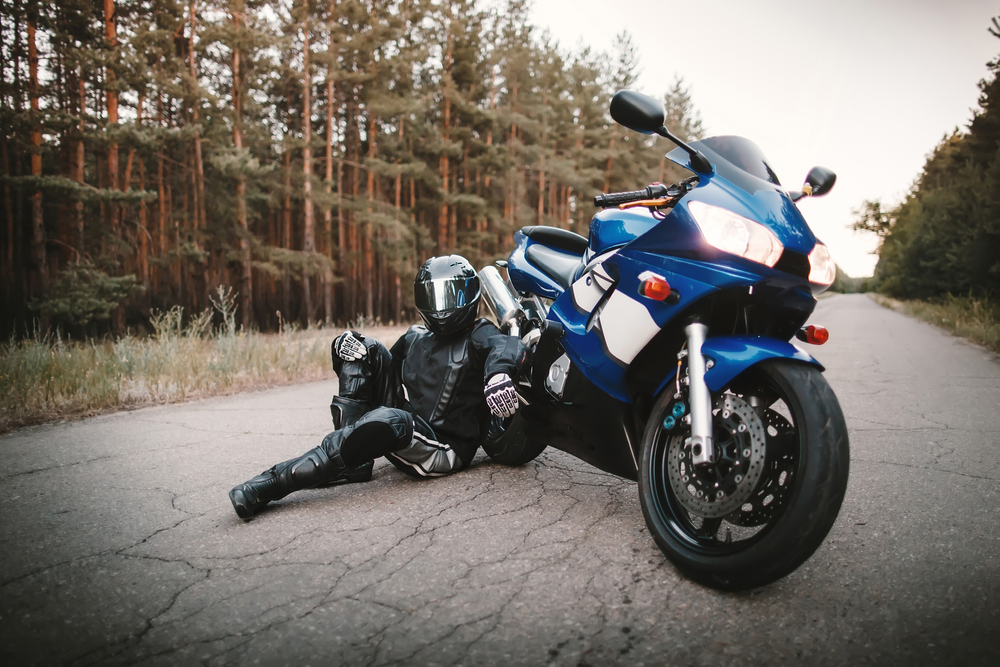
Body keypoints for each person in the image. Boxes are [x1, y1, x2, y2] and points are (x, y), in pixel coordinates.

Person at [229, 255, 530, 519]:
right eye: (433, 296)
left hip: (444, 447)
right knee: (360, 347)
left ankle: (275, 483)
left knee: (391, 418)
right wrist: (343, 344)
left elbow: (504, 347)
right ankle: (352, 465)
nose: (441, 306)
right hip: (413, 423)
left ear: (470, 295)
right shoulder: (416, 336)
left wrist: (498, 374)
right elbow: (379, 362)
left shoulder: (480, 334)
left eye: (449, 295)